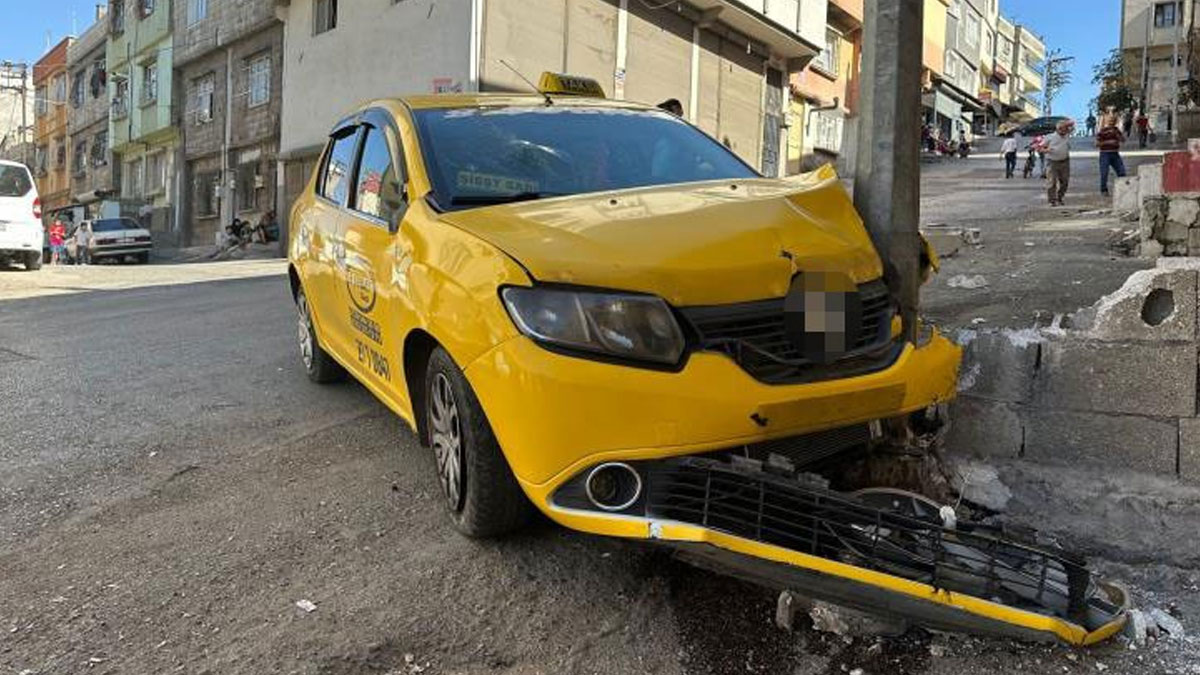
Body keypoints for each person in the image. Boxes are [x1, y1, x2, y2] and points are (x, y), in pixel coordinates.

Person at [1043, 119, 1074, 206]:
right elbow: (1040, 148)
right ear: (1059, 129)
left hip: (1065, 161)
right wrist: (1047, 150)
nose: (1066, 130)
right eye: (1064, 129)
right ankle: (1052, 200)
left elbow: (1072, 124)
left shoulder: (1066, 135)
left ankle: (1060, 197)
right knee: (1052, 182)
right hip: (1052, 162)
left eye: (1066, 129)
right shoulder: (1049, 137)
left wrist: (1066, 123)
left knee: (1065, 181)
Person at [1096, 113, 1127, 195]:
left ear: (1115, 122)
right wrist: (1108, 142)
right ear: (1107, 122)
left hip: (1115, 154)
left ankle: (1123, 189)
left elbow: (1123, 140)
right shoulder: (1102, 131)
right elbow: (1097, 144)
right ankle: (1104, 190)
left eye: (1113, 121)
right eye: (1110, 121)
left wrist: (1118, 136)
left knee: (1122, 172)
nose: (1111, 122)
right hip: (1105, 154)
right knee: (1104, 173)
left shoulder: (1117, 130)